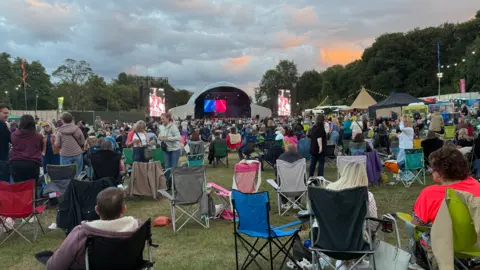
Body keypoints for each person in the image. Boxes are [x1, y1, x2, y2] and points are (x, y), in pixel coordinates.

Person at [45, 187, 139, 270]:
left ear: (97, 210)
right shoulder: (136, 228)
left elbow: (54, 266)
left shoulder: (82, 233)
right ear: (123, 209)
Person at [327, 162, 377, 270]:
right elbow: (373, 225)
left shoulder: (328, 191)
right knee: (366, 230)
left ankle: (345, 264)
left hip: (328, 240)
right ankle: (355, 262)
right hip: (356, 243)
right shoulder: (367, 196)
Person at [9, 115, 43, 182]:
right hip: (33, 164)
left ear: (21, 123)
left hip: (16, 163)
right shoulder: (38, 136)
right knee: (32, 189)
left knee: (18, 188)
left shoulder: (14, 135)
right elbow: (41, 149)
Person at [277, 144, 304, 209]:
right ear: (295, 150)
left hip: (284, 188)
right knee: (302, 179)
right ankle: (297, 202)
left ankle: (285, 202)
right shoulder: (301, 158)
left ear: (286, 150)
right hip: (299, 187)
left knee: (277, 181)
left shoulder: (281, 158)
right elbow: (304, 173)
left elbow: (277, 173)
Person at [0, 103, 11, 182]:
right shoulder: (3, 125)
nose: (7, 115)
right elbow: (12, 139)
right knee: (4, 186)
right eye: (5, 113)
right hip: (2, 160)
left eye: (7, 113)